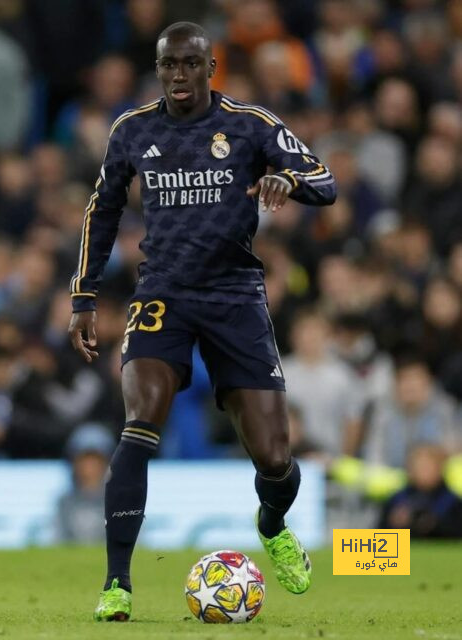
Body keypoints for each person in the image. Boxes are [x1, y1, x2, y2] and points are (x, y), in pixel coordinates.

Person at [68, 22, 336, 622]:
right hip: (163, 292)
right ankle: (117, 585)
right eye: (168, 66)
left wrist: (285, 178)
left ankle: (271, 523)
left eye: (190, 65)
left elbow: (326, 181)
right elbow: (102, 211)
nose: (178, 77)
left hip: (236, 296)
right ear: (157, 69)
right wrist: (84, 296)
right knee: (140, 424)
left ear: (211, 68)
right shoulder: (133, 130)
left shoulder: (250, 124)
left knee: (273, 456)